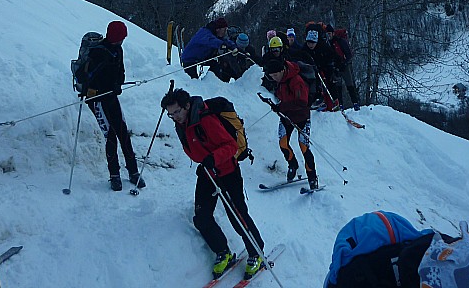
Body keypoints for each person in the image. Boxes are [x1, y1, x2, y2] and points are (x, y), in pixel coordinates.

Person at [161, 89, 266, 281]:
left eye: (177, 112)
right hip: (208, 172)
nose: (174, 117)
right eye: (171, 114)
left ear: (186, 106)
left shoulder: (206, 120)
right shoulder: (182, 125)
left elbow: (231, 146)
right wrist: (208, 162)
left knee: (238, 216)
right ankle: (223, 251)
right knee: (201, 217)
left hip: (227, 171)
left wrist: (213, 158)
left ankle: (256, 252)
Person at [79, 20, 145, 192]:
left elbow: (120, 72)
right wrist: (107, 87)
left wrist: (118, 84)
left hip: (111, 96)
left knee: (123, 132)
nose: (123, 40)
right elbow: (91, 79)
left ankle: (133, 172)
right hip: (96, 99)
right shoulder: (98, 52)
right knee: (110, 136)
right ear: (115, 36)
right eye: (121, 37)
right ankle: (114, 175)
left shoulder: (118, 50)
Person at [262, 59, 319, 190]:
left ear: (282, 70)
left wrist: (281, 107)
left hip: (302, 117)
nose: (274, 78)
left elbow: (302, 102)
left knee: (304, 147)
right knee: (283, 143)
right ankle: (292, 165)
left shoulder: (296, 81)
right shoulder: (280, 81)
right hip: (286, 117)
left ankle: (312, 177)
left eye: (275, 75)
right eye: (271, 76)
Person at [181, 18, 238, 82]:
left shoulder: (215, 34)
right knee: (193, 81)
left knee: (217, 65)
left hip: (202, 57)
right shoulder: (205, 32)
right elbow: (210, 40)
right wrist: (221, 45)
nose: (225, 32)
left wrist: (233, 47)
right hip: (189, 59)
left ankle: (215, 83)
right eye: (224, 30)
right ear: (218, 29)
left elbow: (225, 41)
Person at [325, 25, 360, 110]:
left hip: (344, 66)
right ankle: (340, 105)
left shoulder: (340, 41)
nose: (328, 36)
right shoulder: (327, 44)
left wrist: (344, 63)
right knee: (338, 86)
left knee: (349, 84)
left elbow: (348, 54)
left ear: (333, 33)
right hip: (335, 67)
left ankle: (355, 103)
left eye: (329, 33)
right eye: (327, 34)